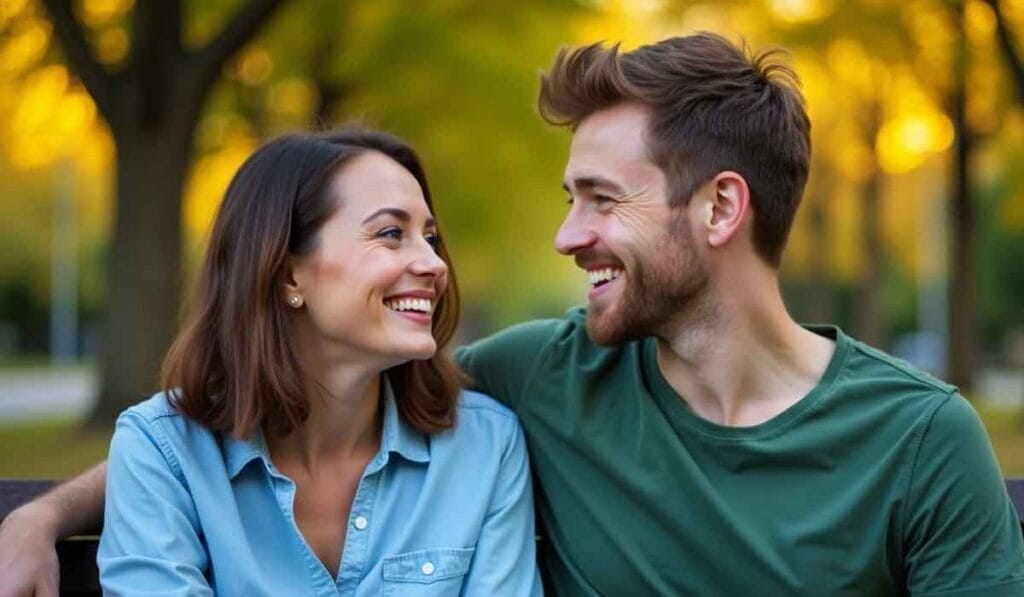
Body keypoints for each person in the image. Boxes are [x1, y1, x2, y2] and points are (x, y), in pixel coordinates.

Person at [2, 32, 1023, 596]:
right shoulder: (542, 378)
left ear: (720, 207)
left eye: (599, 200)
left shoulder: (921, 442)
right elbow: (263, 412)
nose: (565, 238)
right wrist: (45, 512)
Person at [1, 128, 542, 595]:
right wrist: (43, 514)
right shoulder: (164, 452)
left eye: (430, 237)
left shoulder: (485, 447)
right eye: (390, 234)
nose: (433, 263)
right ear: (287, 275)